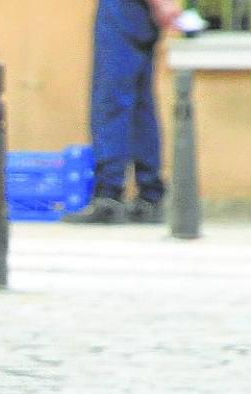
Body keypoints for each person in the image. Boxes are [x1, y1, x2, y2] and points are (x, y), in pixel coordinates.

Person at [64, 0, 180, 225]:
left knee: (112, 99)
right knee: (139, 104)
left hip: (124, 10)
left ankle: (110, 196)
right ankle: (150, 196)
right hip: (135, 13)